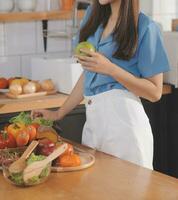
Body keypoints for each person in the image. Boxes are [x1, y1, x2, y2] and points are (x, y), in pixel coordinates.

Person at [31, 0, 170, 169]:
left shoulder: (145, 27)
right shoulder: (93, 18)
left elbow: (155, 92)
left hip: (125, 128)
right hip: (94, 125)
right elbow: (89, 74)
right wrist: (58, 113)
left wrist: (111, 69)